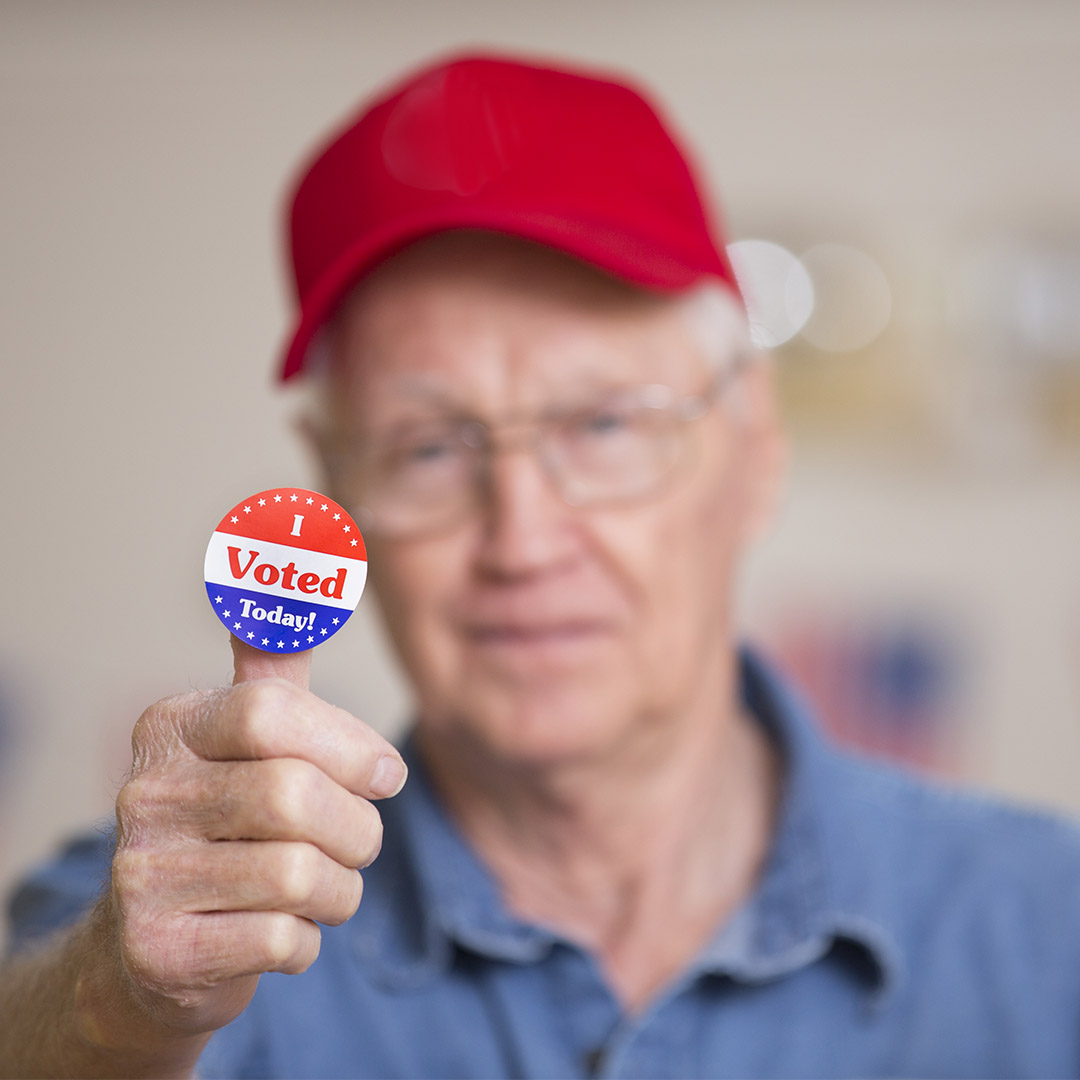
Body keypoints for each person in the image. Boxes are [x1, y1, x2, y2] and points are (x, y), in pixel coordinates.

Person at [4, 50, 1080, 1080]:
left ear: (755, 448)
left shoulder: (1049, 923)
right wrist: (115, 1008)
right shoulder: (154, 933)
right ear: (334, 484)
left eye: (606, 426)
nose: (521, 539)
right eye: (428, 447)